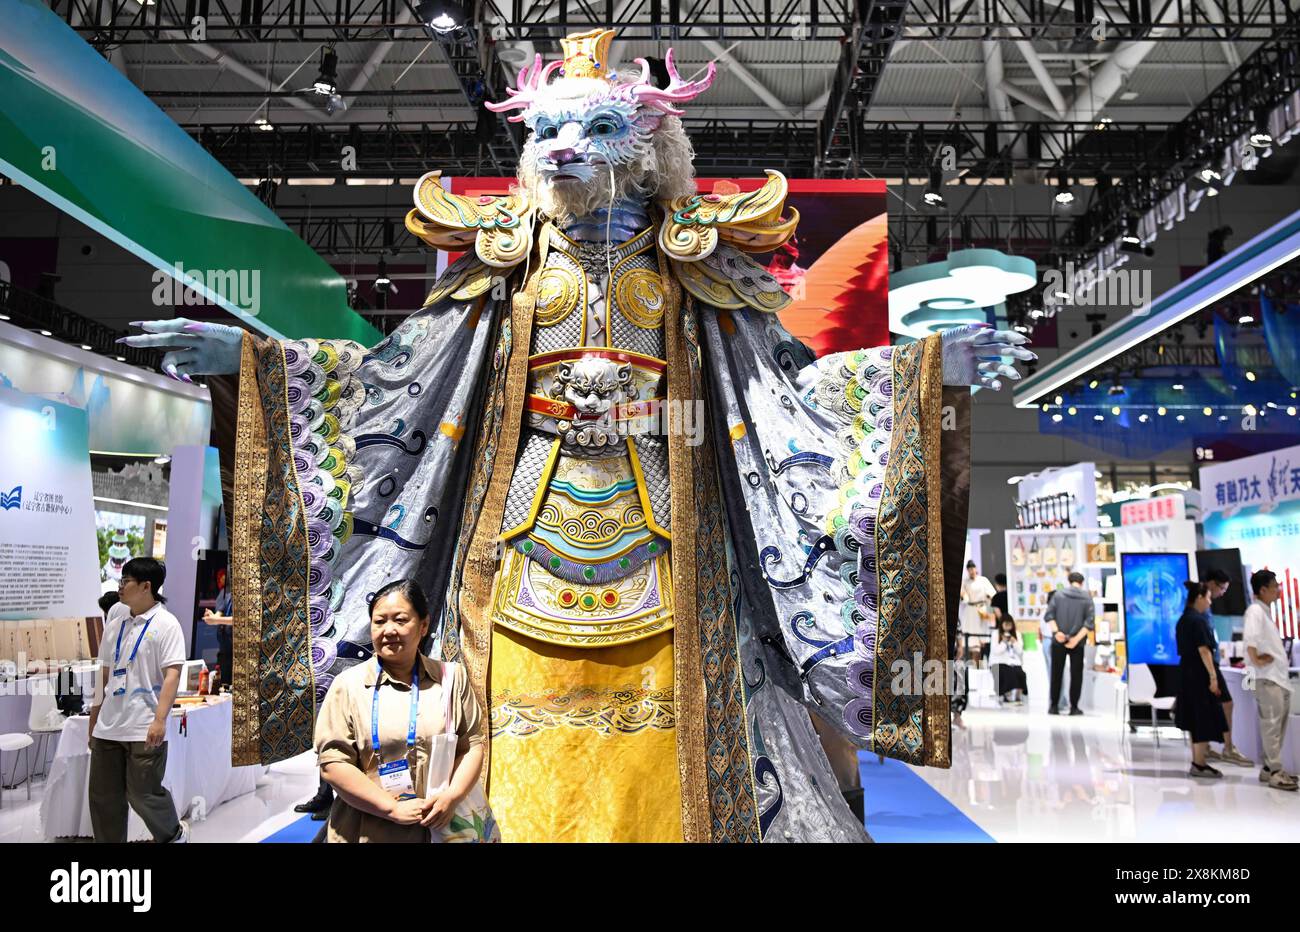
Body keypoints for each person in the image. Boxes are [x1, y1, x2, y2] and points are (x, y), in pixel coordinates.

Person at [124, 28, 1032, 841]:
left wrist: (925, 368)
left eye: (594, 129)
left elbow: (788, 388)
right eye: (546, 130)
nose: (563, 148)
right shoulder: (506, 266)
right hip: (521, 531)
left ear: (645, 144)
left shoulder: (695, 267)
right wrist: (252, 362)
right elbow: (395, 376)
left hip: (672, 540)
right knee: (500, 729)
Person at [314, 579, 486, 842]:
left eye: (400, 620)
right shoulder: (348, 686)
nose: (389, 630)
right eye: (380, 621)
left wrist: (452, 797)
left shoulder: (451, 679)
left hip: (440, 829)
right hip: (366, 830)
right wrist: (391, 808)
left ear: (424, 625)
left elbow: (471, 745)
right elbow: (333, 764)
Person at [86, 557, 189, 843]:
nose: (120, 587)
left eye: (126, 581)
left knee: (143, 794)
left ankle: (174, 835)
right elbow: (104, 670)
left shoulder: (167, 624)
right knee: (103, 797)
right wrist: (95, 714)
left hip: (144, 724)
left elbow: (172, 675)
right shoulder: (117, 619)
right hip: (108, 724)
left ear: (146, 586)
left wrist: (160, 719)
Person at [1243, 569, 1297, 791]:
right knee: (1271, 726)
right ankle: (1275, 771)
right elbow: (1250, 640)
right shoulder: (1255, 611)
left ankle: (1269, 768)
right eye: (1274, 586)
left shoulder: (1264, 611)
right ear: (1262, 589)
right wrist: (1257, 659)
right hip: (1267, 679)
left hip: (1276, 678)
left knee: (1277, 726)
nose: (1278, 590)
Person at [1176, 581, 1230, 779]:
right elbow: (1204, 650)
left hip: (1187, 673)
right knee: (1201, 717)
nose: (1209, 602)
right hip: (1199, 674)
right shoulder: (1198, 621)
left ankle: (1198, 761)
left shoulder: (1183, 620)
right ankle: (1199, 763)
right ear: (1199, 597)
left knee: (1194, 718)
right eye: (1207, 598)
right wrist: (1213, 677)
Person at [1199, 568, 1251, 767]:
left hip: (1211, 662)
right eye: (1221, 588)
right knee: (1225, 703)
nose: (1222, 593)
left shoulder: (1206, 607)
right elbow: (1202, 644)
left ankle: (1209, 747)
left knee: (1215, 705)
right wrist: (1212, 673)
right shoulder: (1200, 608)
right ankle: (1227, 748)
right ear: (1211, 584)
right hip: (1207, 664)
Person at [1045, 571, 1094, 715]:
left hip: (1058, 640)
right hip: (1077, 643)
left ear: (1069, 581)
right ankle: (1074, 707)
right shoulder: (1087, 597)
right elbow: (1089, 623)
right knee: (1076, 675)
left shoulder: (1058, 595)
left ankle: (1054, 706)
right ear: (1082, 582)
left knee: (1056, 674)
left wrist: (1057, 633)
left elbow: (1049, 616)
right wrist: (1076, 639)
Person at [960, 561, 997, 666]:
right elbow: (964, 597)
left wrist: (990, 603)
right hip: (970, 611)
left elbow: (992, 594)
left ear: (976, 569)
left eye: (973, 568)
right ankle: (971, 666)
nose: (972, 571)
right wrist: (963, 596)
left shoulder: (983, 580)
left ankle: (983, 664)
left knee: (983, 638)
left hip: (982, 610)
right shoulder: (965, 582)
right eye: (969, 569)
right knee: (971, 640)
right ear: (967, 571)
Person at [989, 617, 1028, 704]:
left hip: (1014, 661)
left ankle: (1018, 696)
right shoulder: (996, 634)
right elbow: (995, 651)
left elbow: (1020, 651)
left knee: (1020, 673)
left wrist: (1014, 642)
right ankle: (1006, 694)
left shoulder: (1017, 634)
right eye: (1006, 625)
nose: (1008, 627)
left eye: (1010, 625)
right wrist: (1003, 642)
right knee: (1005, 672)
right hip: (999, 661)